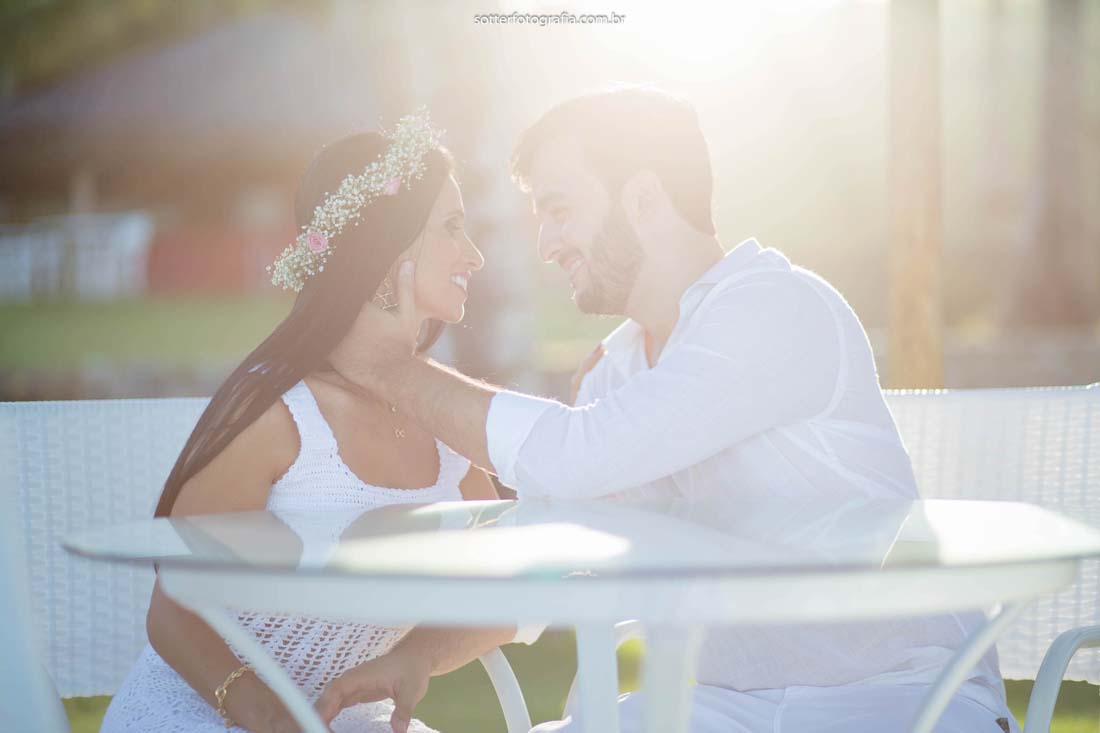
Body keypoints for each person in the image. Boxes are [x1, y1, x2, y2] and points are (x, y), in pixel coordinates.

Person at [322, 89, 1019, 732]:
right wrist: (419, 655)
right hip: (728, 707)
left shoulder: (775, 308)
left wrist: (387, 368)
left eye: (560, 210)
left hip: (906, 698)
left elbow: (573, 457)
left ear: (644, 198)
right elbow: (560, 559)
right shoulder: (617, 372)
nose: (547, 245)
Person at [101, 111, 538, 733]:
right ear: (389, 243)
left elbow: (507, 588)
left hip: (347, 721)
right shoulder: (278, 415)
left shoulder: (443, 420)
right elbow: (174, 612)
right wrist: (272, 718)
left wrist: (418, 656)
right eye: (451, 227)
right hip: (207, 715)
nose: (475, 254)